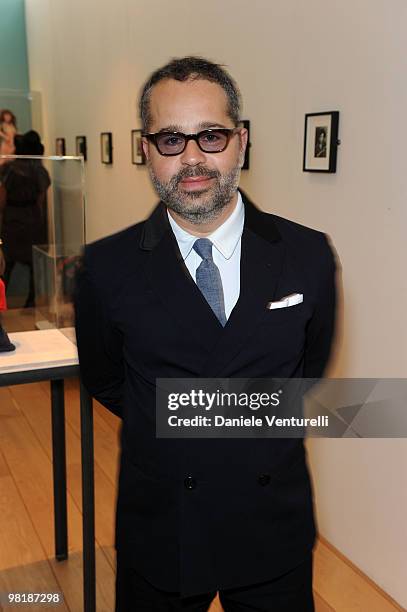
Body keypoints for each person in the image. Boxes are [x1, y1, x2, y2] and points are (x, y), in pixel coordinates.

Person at [75, 56, 337, 611]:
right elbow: (107, 380)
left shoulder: (307, 255)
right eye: (171, 139)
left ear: (241, 141)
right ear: (144, 149)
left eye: (210, 136)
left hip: (272, 525)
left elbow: (307, 372)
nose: (192, 158)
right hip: (162, 524)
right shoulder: (105, 267)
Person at [0, 130, 50, 308]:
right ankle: (31, 302)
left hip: (12, 219)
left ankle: (2, 301)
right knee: (34, 264)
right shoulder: (39, 170)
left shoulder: (9, 169)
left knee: (7, 263)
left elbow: (2, 197)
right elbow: (41, 199)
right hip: (32, 220)